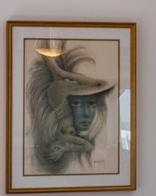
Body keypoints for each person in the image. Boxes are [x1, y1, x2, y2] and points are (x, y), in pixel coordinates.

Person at [26, 45, 116, 175]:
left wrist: (63, 73)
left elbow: (103, 85)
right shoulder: (60, 93)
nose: (85, 114)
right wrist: (63, 73)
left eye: (91, 103)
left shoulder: (57, 96)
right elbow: (103, 85)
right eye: (77, 103)